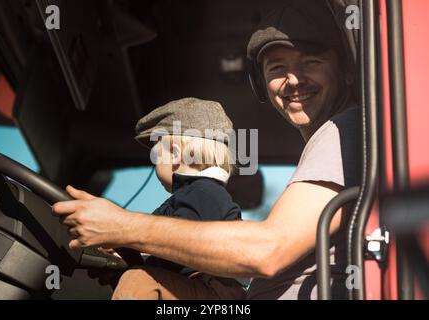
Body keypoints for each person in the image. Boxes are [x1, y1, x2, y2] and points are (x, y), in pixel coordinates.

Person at [53, 1, 361, 300]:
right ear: (260, 83)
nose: (292, 80)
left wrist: (122, 227)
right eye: (277, 68)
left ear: (347, 71)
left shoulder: (341, 131)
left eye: (311, 62)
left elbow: (266, 251)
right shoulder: (333, 138)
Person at [110, 97, 246, 300]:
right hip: (197, 288)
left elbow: (180, 245)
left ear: (174, 155)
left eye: (156, 157)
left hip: (211, 291)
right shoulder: (199, 194)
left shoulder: (202, 193)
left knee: (137, 281)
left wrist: (138, 254)